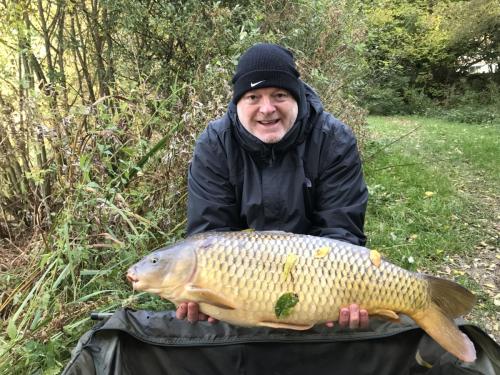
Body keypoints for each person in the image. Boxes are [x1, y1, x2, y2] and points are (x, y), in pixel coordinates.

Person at [176, 43, 369, 329]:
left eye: (279, 95)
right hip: (242, 288)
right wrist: (202, 293)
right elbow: (210, 237)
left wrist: (335, 295)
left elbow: (340, 231)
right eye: (253, 97)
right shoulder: (215, 144)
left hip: (318, 282)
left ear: (297, 96)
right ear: (238, 102)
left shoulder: (333, 139)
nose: (267, 109)